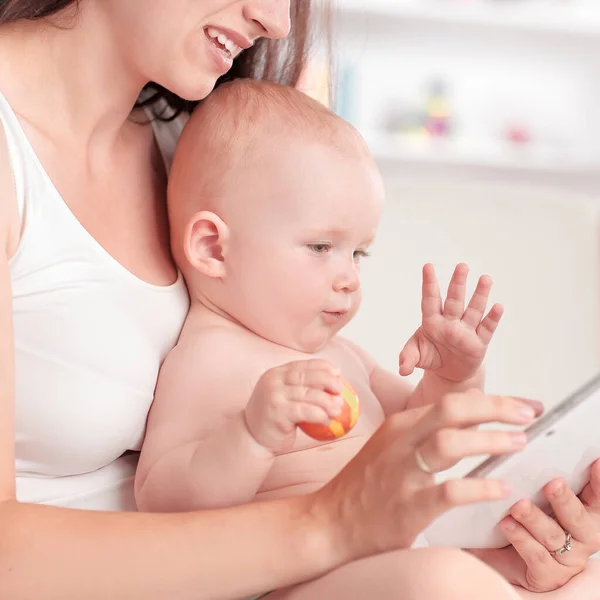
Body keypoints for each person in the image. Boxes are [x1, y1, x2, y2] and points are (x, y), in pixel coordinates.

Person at [0, 1, 598, 598]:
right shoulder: (210, 359)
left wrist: (457, 385)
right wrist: (264, 451)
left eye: (357, 254)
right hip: (260, 572)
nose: (278, 22)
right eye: (320, 248)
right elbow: (166, 497)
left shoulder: (195, 141)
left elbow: (416, 432)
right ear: (210, 246)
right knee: (442, 582)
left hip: (342, 556)